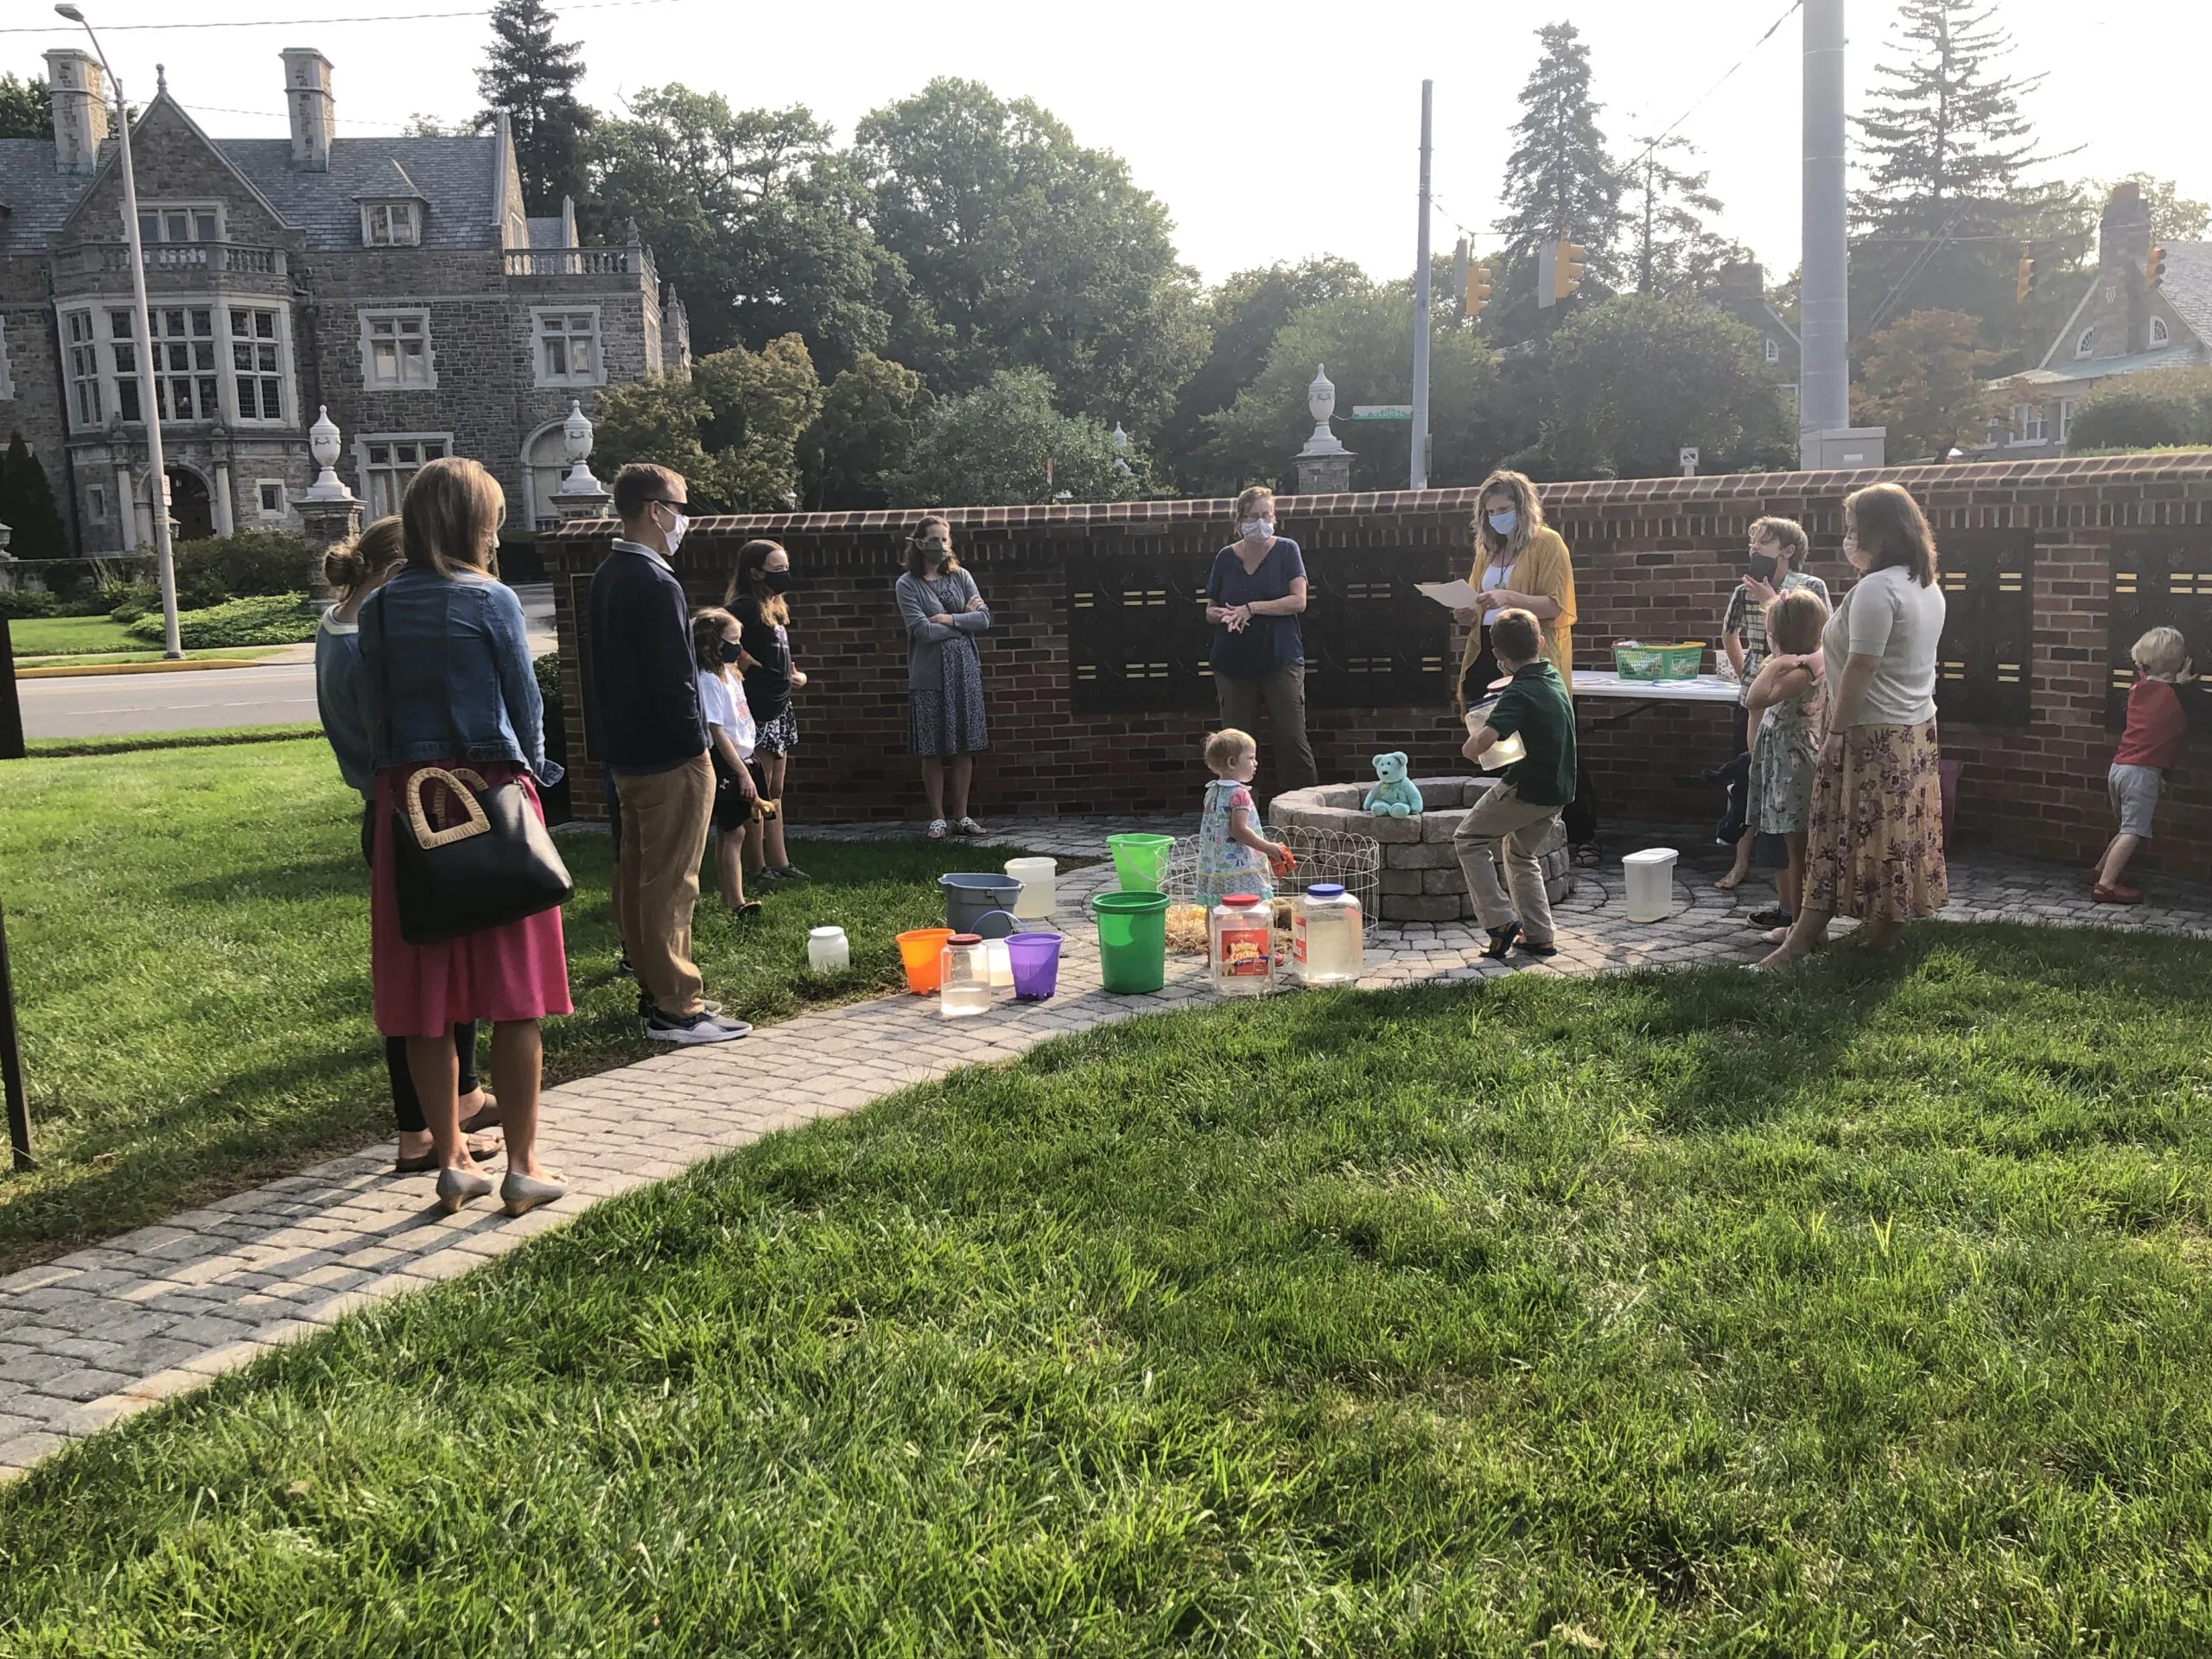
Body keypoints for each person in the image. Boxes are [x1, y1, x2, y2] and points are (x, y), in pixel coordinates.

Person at [359, 456, 569, 1217]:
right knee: (516, 996)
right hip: (488, 791)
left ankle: (449, 1162)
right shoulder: (491, 599)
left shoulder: (376, 608)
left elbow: (375, 712)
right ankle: (523, 1164)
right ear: (477, 523)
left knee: (424, 995)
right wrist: (536, 777)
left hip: (407, 803)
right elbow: (525, 702)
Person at [316, 516, 502, 1173]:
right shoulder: (364, 640)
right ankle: (419, 1132)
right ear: (400, 570)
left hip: (389, 808)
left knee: (436, 965)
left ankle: (460, 1101)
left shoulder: (339, 625)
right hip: (410, 810)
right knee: (421, 977)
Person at [584, 462, 750, 1045]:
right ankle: (678, 1006)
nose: (685, 519)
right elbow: (673, 680)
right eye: (680, 506)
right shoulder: (656, 583)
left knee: (638, 874)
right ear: (655, 509)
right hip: (669, 757)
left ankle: (655, 990)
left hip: (627, 755)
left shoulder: (608, 574)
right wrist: (696, 745)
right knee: (672, 882)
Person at [1760, 482, 1948, 969]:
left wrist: (1836, 733)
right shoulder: (1923, 584)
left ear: (1881, 532)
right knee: (1894, 837)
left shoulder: (1876, 590)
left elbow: (1863, 666)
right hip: (1914, 731)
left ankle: (1799, 944)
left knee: (1837, 835)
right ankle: (1884, 931)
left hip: (1871, 734)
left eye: (1852, 530)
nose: (1847, 540)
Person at [1452, 471, 1598, 868]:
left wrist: (1508, 596)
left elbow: (1557, 607)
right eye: (1490, 511)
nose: (1497, 517)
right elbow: (1477, 606)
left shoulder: (1548, 544)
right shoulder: (1488, 550)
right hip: (1487, 651)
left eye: (1504, 509)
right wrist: (1467, 609)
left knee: (1550, 742)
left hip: (1534, 657)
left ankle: (1581, 833)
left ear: (1523, 507)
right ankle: (1511, 826)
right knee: (1499, 743)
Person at [1715, 517, 1830, 900]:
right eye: (1752, 543)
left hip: (1793, 698)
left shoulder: (1809, 589)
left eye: (1763, 542)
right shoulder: (1740, 591)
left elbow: (1824, 638)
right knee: (1751, 778)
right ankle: (1742, 861)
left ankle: (1791, 890)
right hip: (1755, 690)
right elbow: (1728, 633)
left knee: (1788, 794)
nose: (1753, 549)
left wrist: (1773, 604)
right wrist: (1743, 670)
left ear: (1787, 551)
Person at [1454, 608, 1576, 961]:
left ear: (1497, 656)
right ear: (1540, 642)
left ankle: (1500, 922)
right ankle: (1540, 935)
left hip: (1528, 787)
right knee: (1521, 853)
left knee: (1468, 838)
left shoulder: (1518, 694)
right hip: (1560, 788)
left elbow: (1486, 740)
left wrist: (1469, 748)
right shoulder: (1551, 675)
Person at [1205, 486, 1318, 804]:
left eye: (1267, 515)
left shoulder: (1286, 550)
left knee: (1291, 736)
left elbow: (1298, 601)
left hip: (1281, 658)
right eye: (1254, 516)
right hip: (1232, 663)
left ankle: (1304, 809)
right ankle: (1239, 812)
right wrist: (1224, 614)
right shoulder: (1226, 558)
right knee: (1236, 744)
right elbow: (1209, 610)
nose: (1262, 521)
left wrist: (1252, 608)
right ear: (1240, 520)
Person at [1740, 588, 1829, 945]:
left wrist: (1773, 665)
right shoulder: (1812, 664)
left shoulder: (1799, 673)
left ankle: (1805, 928)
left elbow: (1753, 698)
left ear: (1774, 637)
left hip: (1795, 768)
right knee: (1796, 850)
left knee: (1798, 851)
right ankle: (1802, 925)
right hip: (1785, 761)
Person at [894, 514, 991, 838]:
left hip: (965, 673)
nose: (941, 545)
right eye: (934, 539)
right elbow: (921, 630)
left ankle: (962, 816)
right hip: (929, 676)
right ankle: (937, 816)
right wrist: (964, 621)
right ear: (919, 543)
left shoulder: (961, 576)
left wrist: (948, 619)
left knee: (965, 747)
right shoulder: (907, 584)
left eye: (945, 539)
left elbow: (984, 619)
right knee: (932, 749)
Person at [725, 539, 809, 882]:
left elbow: (778, 649)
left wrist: (791, 673)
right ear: (755, 572)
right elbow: (721, 640)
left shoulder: (773, 605)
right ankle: (758, 868)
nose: (784, 575)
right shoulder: (743, 606)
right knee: (757, 793)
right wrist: (750, 666)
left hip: (780, 707)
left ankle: (781, 862)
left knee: (775, 791)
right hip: (756, 711)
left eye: (786, 567)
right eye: (777, 569)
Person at [2094, 626, 2193, 904]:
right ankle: (2106, 885)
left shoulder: (2138, 688)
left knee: (2126, 827)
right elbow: (2178, 694)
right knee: (2134, 830)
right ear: (2178, 663)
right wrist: (2182, 681)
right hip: (2143, 772)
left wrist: (2175, 680)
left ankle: (2101, 870)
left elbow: (2162, 686)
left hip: (2119, 768)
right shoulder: (2176, 694)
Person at [691, 607, 764, 918]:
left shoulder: (729, 672)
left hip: (744, 755)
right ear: (713, 643)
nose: (738, 646)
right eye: (733, 639)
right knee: (733, 831)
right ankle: (736, 901)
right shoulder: (708, 680)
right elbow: (716, 731)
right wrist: (741, 773)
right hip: (728, 760)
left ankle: (729, 897)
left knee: (735, 830)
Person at [1194, 728, 1291, 909]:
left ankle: (1216, 937)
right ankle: (1247, 936)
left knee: (1216, 906)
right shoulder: (1240, 794)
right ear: (1232, 762)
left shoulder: (1212, 791)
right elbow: (1239, 831)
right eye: (1250, 758)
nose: (1256, 763)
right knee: (1249, 905)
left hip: (1214, 864)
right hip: (1238, 866)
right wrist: (1269, 848)